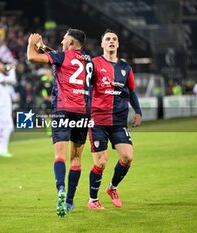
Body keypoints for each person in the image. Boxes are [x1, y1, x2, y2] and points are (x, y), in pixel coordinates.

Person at [27, 29, 93, 217]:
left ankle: (60, 189)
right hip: (83, 112)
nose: (62, 40)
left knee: (60, 156)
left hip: (63, 110)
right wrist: (45, 48)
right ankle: (70, 201)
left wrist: (32, 43)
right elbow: (64, 56)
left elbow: (32, 58)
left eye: (64, 38)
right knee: (76, 158)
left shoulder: (61, 56)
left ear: (71, 43)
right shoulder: (88, 60)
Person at [87, 29, 142, 209]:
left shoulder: (126, 68)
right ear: (102, 44)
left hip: (118, 121)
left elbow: (132, 91)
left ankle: (112, 188)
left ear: (118, 44)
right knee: (101, 161)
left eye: (114, 39)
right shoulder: (94, 64)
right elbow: (84, 88)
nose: (111, 41)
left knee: (127, 157)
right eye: (108, 39)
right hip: (97, 120)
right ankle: (93, 200)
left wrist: (138, 112)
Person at [0, 59, 16, 157]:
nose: (2, 65)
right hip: (1, 105)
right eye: (0, 64)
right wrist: (12, 70)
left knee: (4, 127)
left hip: (4, 105)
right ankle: (2, 150)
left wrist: (9, 70)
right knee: (5, 127)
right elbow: (12, 80)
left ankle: (2, 150)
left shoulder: (0, 76)